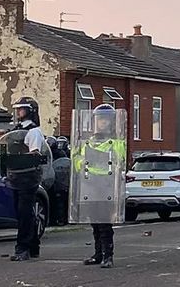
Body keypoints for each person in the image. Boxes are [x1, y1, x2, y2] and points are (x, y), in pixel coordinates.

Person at [72, 104, 126, 268]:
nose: (101, 123)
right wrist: (82, 163)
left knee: (104, 223)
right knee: (94, 222)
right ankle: (98, 253)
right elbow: (77, 162)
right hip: (90, 185)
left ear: (110, 122)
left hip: (107, 186)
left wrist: (100, 160)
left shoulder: (116, 143)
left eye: (104, 120)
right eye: (98, 120)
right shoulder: (87, 142)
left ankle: (108, 256)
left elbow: (120, 162)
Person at [2, 96, 47, 261]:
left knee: (24, 213)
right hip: (16, 176)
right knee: (23, 214)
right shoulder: (16, 130)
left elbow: (34, 153)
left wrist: (18, 158)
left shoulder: (33, 131)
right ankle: (34, 246)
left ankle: (23, 248)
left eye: (21, 109)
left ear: (30, 111)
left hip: (28, 177)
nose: (18, 112)